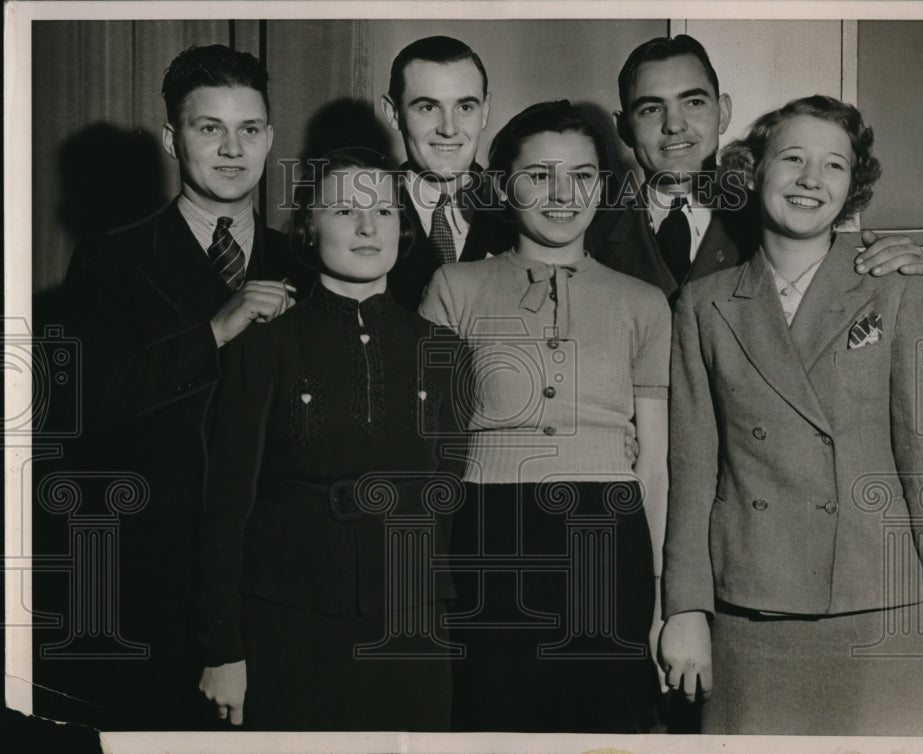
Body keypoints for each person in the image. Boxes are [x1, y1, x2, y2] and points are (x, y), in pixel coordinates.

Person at [659, 95, 923, 735]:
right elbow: (693, 469)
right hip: (749, 607)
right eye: (792, 158)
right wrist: (685, 608)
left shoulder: (895, 288)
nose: (811, 179)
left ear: (853, 186)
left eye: (834, 165)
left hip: (877, 603)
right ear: (752, 171)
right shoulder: (703, 305)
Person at [56, 44, 308, 729]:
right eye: (209, 128)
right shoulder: (111, 260)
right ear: (172, 138)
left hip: (279, 584)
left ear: (270, 138)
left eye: (249, 129)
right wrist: (213, 332)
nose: (232, 149)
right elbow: (86, 411)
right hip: (155, 588)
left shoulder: (305, 262)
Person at [419, 100, 670, 733]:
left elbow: (656, 465)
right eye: (539, 175)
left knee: (605, 727)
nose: (563, 195)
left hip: (608, 537)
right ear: (504, 186)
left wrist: (662, 593)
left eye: (582, 175)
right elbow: (429, 446)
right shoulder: (453, 287)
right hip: (486, 532)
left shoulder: (644, 303)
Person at [196, 148, 457, 731]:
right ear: (308, 228)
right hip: (291, 621)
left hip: (412, 626)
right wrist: (223, 648)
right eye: (344, 211)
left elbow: (449, 495)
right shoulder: (265, 344)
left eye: (384, 211)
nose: (368, 227)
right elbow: (225, 504)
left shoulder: (441, 348)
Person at [587, 35, 923, 306]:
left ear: (723, 112)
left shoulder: (789, 216)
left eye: (694, 102)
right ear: (624, 128)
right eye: (650, 109)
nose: (674, 125)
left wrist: (902, 272)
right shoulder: (590, 238)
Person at [381, 36, 514, 310]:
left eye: (465, 107)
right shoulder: (361, 214)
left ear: (485, 111)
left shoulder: (520, 213)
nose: (449, 129)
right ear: (393, 113)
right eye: (428, 108)